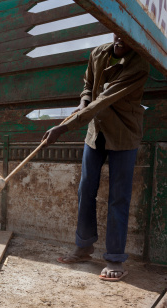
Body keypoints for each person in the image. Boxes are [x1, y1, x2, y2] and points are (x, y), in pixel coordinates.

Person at [42, 34, 150, 281]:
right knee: (85, 189)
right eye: (116, 30)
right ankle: (84, 247)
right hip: (96, 132)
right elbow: (88, 87)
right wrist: (83, 101)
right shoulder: (98, 53)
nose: (120, 37)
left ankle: (114, 259)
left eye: (127, 33)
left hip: (124, 133)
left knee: (118, 198)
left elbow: (104, 100)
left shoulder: (139, 65)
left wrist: (63, 127)